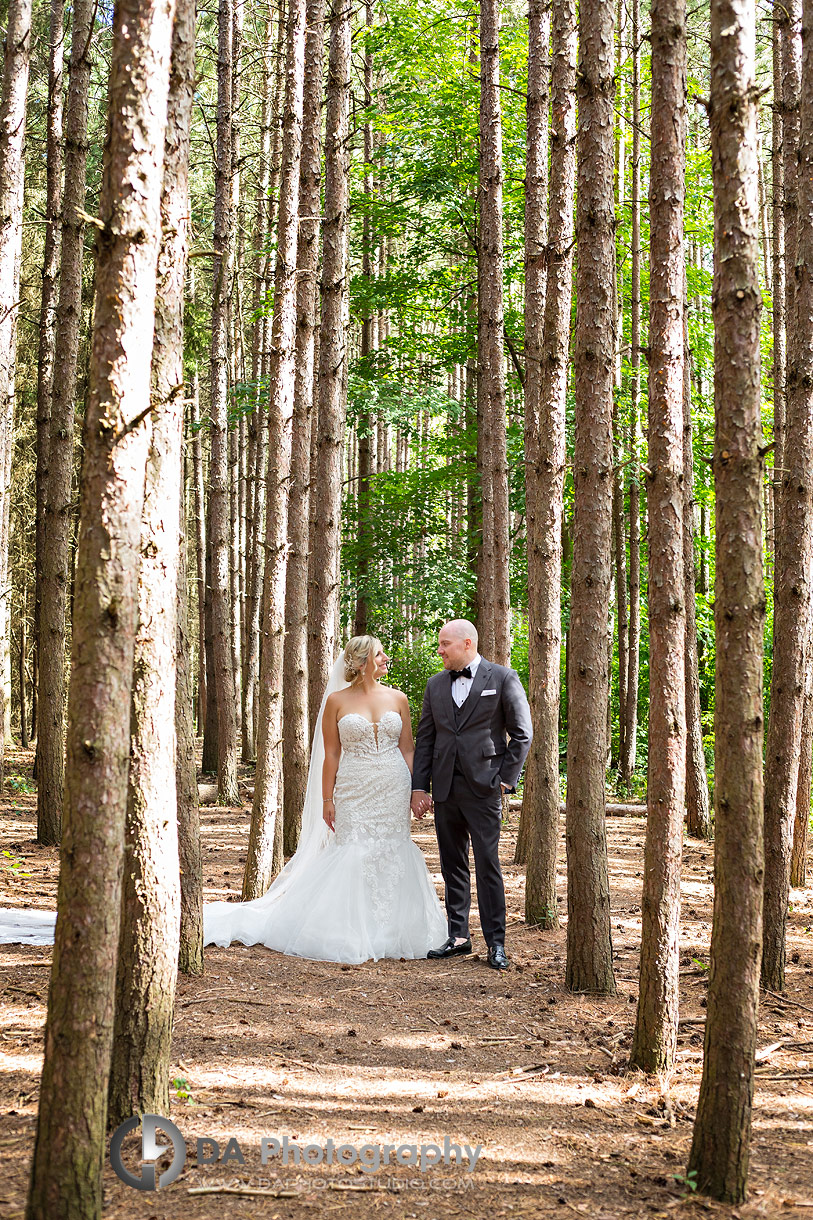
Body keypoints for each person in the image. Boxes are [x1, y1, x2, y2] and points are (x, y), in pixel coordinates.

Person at [0, 636, 447, 965]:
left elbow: (407, 746)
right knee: (353, 850)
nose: (387, 659)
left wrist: (415, 787)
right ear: (363, 660)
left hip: (389, 785)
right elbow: (330, 754)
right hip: (352, 787)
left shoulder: (400, 698)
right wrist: (327, 797)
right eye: (381, 653)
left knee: (391, 848)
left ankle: (394, 930)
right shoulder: (335, 701)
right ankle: (356, 929)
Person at [411, 619, 532, 971]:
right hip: (445, 788)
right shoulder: (435, 685)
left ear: (466, 643)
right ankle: (459, 936)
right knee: (452, 865)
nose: (439, 650)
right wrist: (420, 786)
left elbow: (522, 733)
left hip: (484, 788)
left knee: (488, 865)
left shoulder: (503, 678)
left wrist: (506, 780)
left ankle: (496, 942)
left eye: (444, 644)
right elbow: (426, 740)